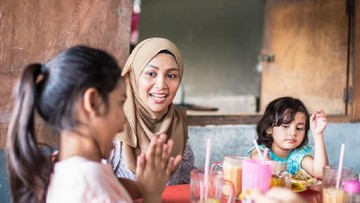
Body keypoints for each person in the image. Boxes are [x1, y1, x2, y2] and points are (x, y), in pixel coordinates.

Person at [6, 45, 182, 203]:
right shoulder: (91, 190)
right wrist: (151, 196)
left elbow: (113, 184)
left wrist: (144, 186)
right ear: (92, 102)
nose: (123, 123)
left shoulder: (69, 170)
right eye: (120, 103)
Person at [109, 37, 195, 185]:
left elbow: (185, 184)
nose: (161, 84)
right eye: (151, 73)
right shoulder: (112, 127)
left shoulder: (177, 123)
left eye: (171, 75)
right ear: (134, 76)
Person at [247, 97, 328, 178]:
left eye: (299, 128)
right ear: (269, 128)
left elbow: (321, 173)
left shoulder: (297, 155)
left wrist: (318, 135)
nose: (293, 133)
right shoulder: (260, 151)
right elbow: (264, 164)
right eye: (285, 126)